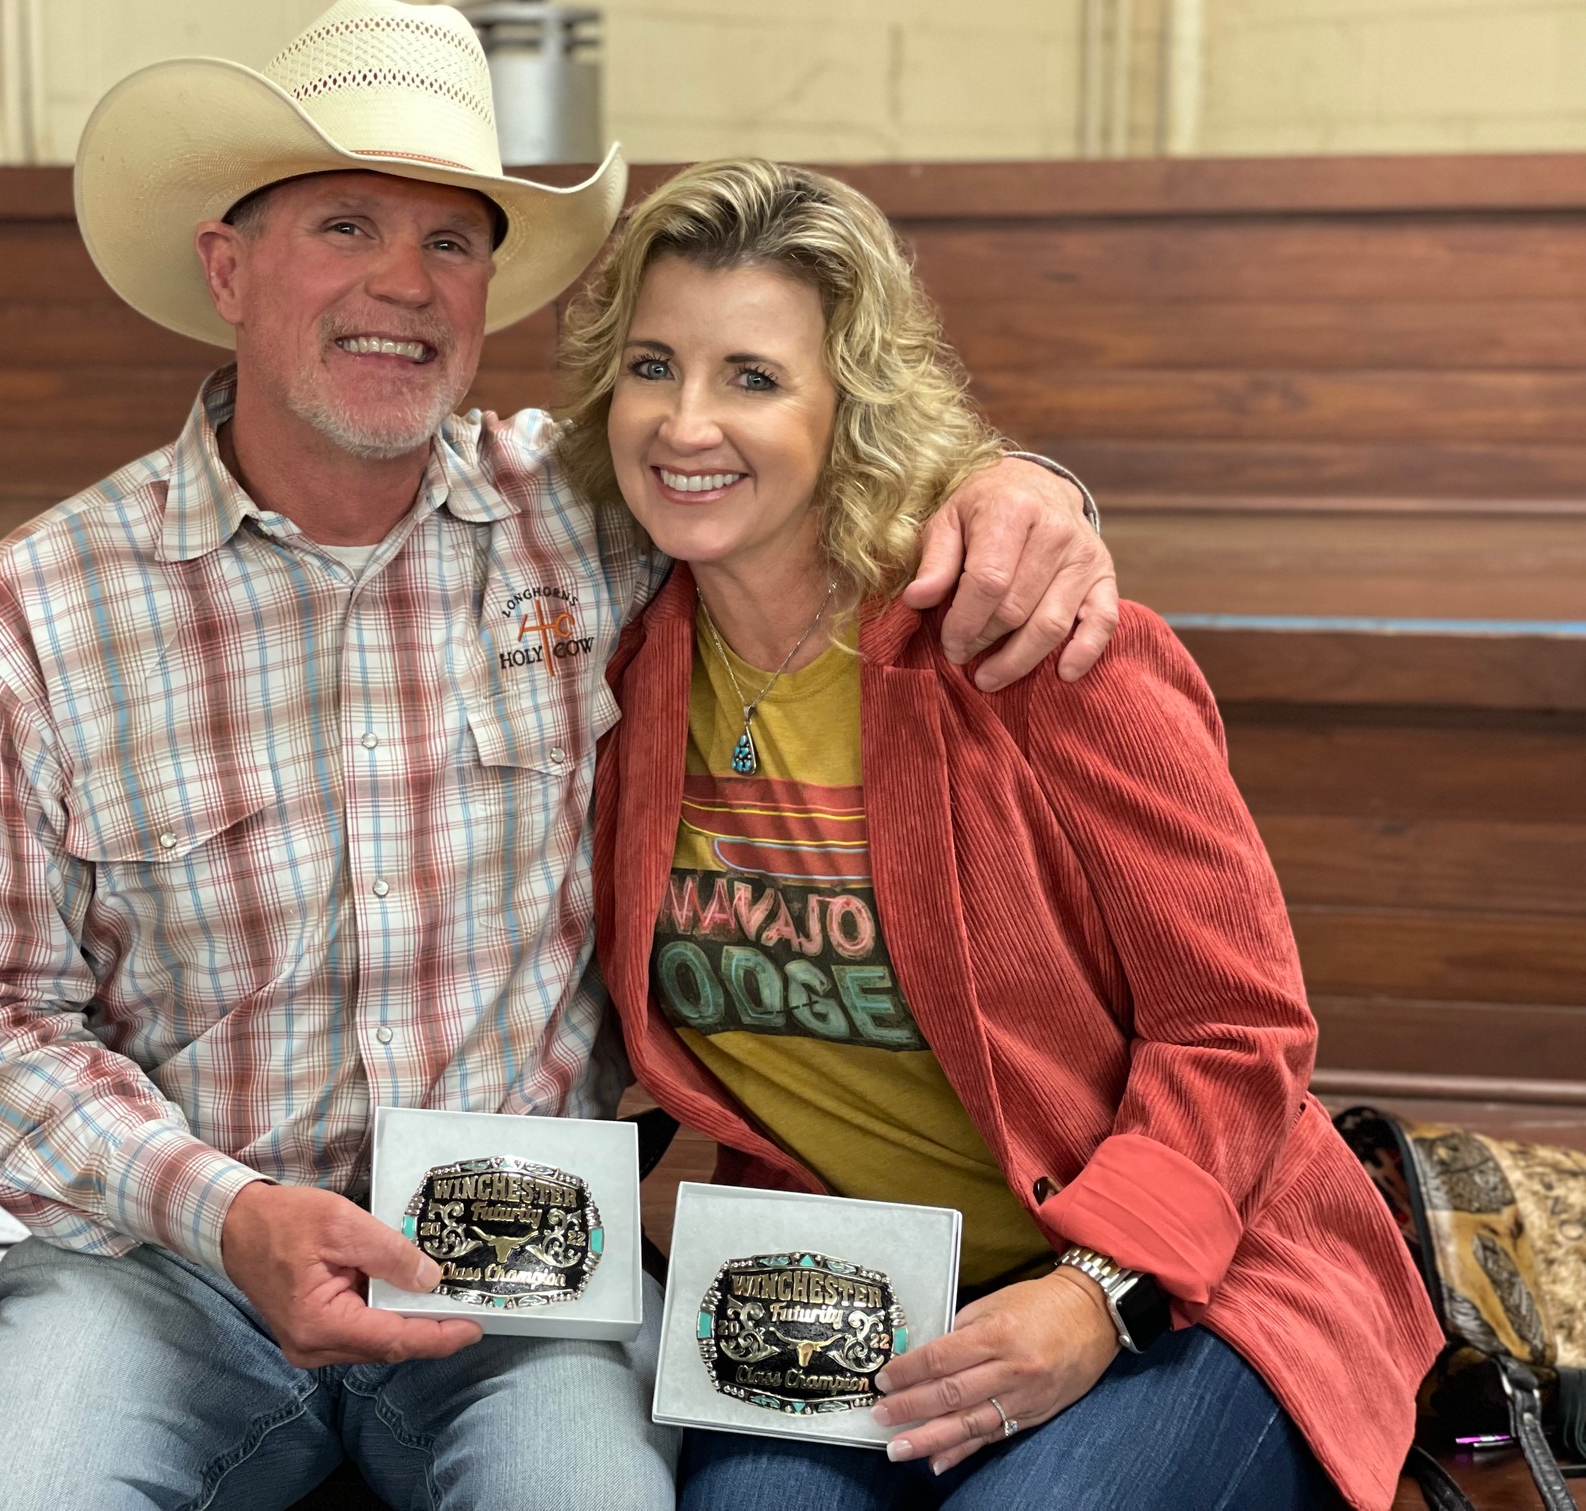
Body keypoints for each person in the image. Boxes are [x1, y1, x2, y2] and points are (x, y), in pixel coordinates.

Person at [0, 0, 1119, 1511]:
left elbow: (807, 461)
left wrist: (1021, 484)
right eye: (343, 224)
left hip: (524, 1272)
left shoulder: (591, 517)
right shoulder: (40, 608)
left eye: (451, 241)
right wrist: (225, 1210)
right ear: (227, 265)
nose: (405, 283)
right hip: (167, 1272)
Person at [570, 159, 1442, 1511]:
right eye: (650, 365)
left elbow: (1237, 1028)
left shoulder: (1031, 644)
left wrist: (1094, 1291)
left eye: (753, 377)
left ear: (848, 405)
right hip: (844, 1287)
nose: (687, 422)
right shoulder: (617, 662)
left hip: (1180, 1286)